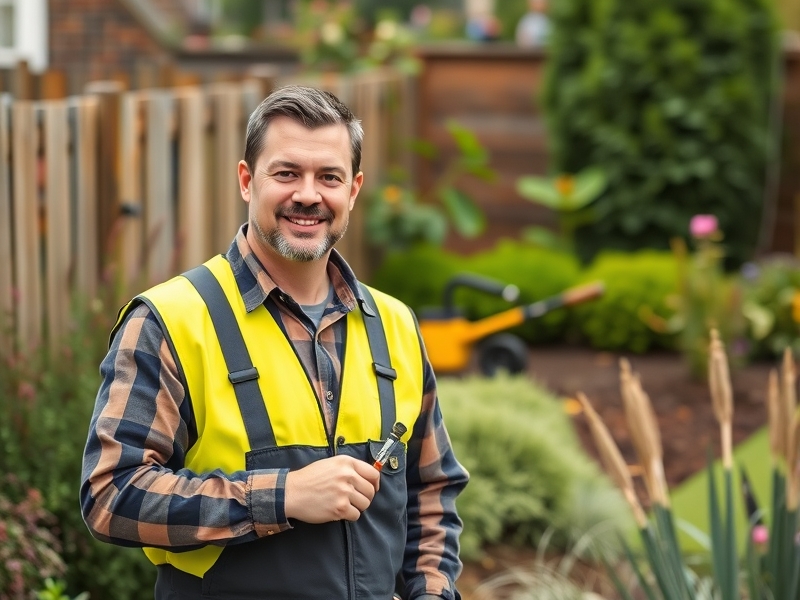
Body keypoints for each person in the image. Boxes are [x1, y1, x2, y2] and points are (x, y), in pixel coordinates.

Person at [80, 85, 469, 600]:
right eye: (286, 173)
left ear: (353, 191)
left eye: (328, 177)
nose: (308, 195)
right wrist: (281, 496)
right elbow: (111, 495)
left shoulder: (395, 325)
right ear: (247, 180)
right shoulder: (170, 321)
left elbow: (431, 493)